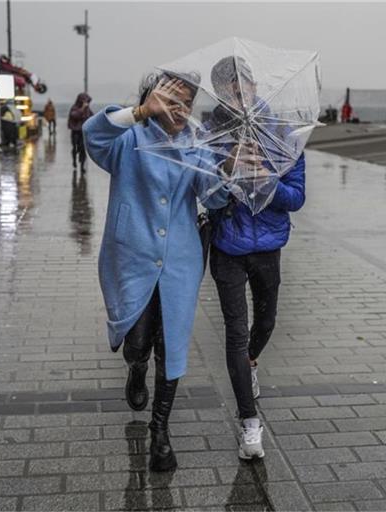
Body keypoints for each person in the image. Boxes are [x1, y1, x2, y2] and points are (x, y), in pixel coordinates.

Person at [82, 73, 229, 472]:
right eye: (173, 102)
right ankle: (135, 367)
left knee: (172, 346)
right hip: (132, 255)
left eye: (188, 103)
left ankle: (160, 432)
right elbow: (93, 137)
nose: (181, 111)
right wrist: (139, 112)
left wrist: (227, 169)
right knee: (139, 341)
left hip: (180, 262)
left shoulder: (196, 145)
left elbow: (213, 197)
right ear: (154, 101)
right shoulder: (130, 139)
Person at [206, 55, 306, 460]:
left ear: (253, 85)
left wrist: (265, 182)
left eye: (241, 84)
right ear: (220, 93)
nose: (236, 92)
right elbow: (203, 195)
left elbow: (296, 197)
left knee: (265, 321)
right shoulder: (209, 133)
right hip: (227, 245)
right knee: (235, 330)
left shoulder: (281, 132)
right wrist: (227, 175)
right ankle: (250, 422)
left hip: (267, 246)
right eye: (227, 87)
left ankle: (250, 363)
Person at [68, 93, 94, 171]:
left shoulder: (88, 109)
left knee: (83, 149)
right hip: (75, 131)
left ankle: (82, 165)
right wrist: (82, 108)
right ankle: (74, 160)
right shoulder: (74, 107)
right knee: (75, 148)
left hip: (83, 132)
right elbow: (74, 116)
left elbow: (92, 117)